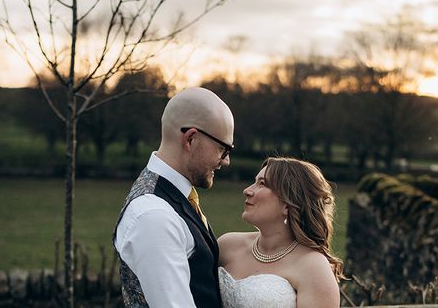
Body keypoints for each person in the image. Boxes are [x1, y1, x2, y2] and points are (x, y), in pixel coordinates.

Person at [113, 87, 234, 308]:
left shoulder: (174, 197)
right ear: (191, 139)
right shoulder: (154, 216)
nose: (226, 161)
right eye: (222, 149)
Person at [218, 157, 343, 308]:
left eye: (262, 184)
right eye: (254, 182)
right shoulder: (227, 245)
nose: (247, 190)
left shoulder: (313, 267)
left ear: (288, 204)